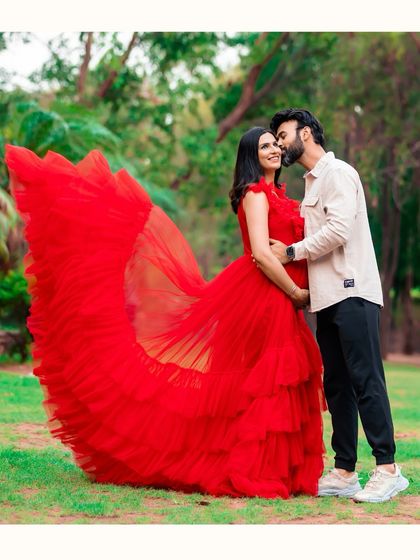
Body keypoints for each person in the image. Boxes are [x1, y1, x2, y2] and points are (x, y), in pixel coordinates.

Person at [5, 127, 325, 499]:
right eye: (263, 146)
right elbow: (260, 252)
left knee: (268, 383)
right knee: (268, 383)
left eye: (274, 143)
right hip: (265, 297)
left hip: (277, 297)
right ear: (251, 156)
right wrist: (296, 292)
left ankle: (277, 470)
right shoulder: (255, 194)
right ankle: (257, 469)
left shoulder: (279, 194)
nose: (272, 149)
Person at [268, 108, 409, 503]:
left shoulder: (339, 174)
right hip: (327, 298)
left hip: (354, 292)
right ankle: (345, 470)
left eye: (283, 134)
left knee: (366, 380)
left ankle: (388, 469)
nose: (280, 143)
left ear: (308, 133)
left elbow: (340, 230)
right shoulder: (311, 185)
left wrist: (292, 252)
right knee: (338, 385)